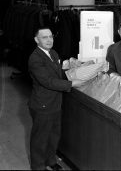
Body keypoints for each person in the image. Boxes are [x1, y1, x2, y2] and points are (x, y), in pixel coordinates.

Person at [28, 27, 82, 170]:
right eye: (44, 37)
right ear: (36, 40)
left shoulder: (53, 53)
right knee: (40, 139)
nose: (49, 40)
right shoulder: (35, 58)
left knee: (53, 135)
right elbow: (48, 81)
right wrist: (72, 83)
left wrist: (70, 66)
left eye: (51, 36)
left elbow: (56, 74)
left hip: (55, 103)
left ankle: (50, 161)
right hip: (42, 105)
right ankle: (38, 166)